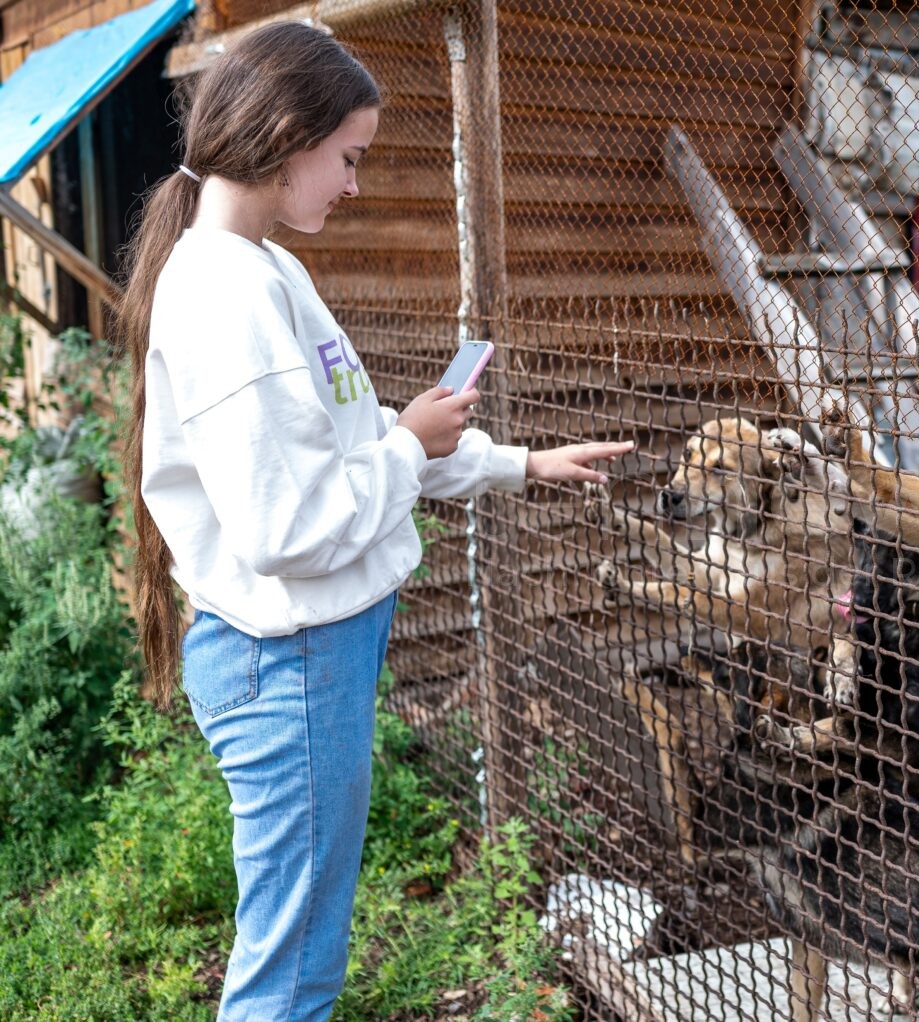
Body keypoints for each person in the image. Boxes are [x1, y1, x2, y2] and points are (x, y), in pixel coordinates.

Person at [116, 22, 631, 1020]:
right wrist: (408, 441)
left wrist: (514, 461)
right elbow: (289, 525)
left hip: (308, 651)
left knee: (301, 935)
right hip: (293, 659)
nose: (353, 185)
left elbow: (348, 454)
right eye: (349, 157)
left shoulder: (259, 268)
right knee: (293, 962)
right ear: (285, 133)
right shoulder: (229, 294)